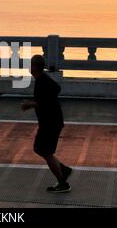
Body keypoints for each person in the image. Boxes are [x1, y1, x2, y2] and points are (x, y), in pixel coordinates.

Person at [21, 55, 73, 193]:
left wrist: (31, 104)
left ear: (35, 67)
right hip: (50, 122)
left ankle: (63, 182)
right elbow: (56, 90)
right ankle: (63, 170)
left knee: (44, 151)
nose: (28, 67)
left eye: (30, 64)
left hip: (50, 123)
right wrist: (35, 103)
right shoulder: (42, 80)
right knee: (40, 149)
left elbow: (50, 96)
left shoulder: (42, 80)